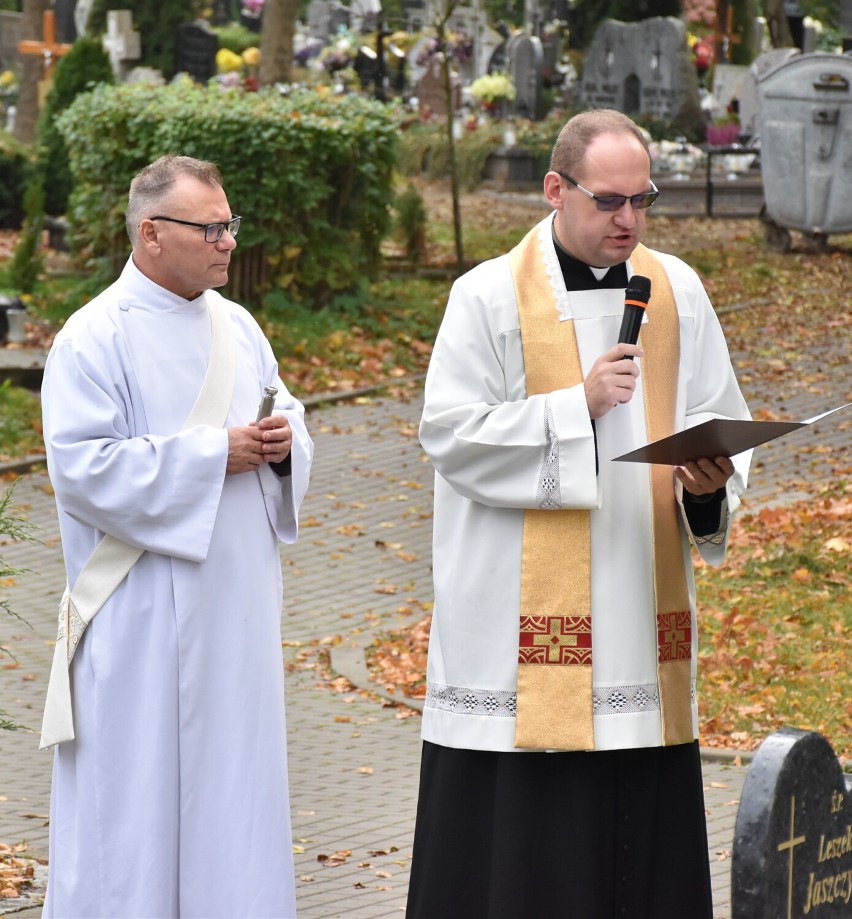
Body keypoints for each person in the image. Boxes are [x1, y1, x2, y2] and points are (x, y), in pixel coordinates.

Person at [406, 109, 752, 919]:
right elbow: (449, 435)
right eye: (608, 201)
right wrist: (575, 408)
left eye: (643, 200)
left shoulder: (678, 291)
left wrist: (706, 485)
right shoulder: (487, 294)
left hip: (637, 606)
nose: (628, 219)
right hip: (515, 632)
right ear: (556, 190)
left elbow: (717, 416)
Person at [40, 155, 314, 918]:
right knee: (133, 808)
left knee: (235, 797)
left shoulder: (240, 326)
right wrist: (211, 454)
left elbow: (284, 411)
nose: (229, 240)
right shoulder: (93, 338)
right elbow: (82, 470)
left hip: (235, 616)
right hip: (138, 623)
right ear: (152, 233)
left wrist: (285, 442)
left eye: (231, 224)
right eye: (212, 227)